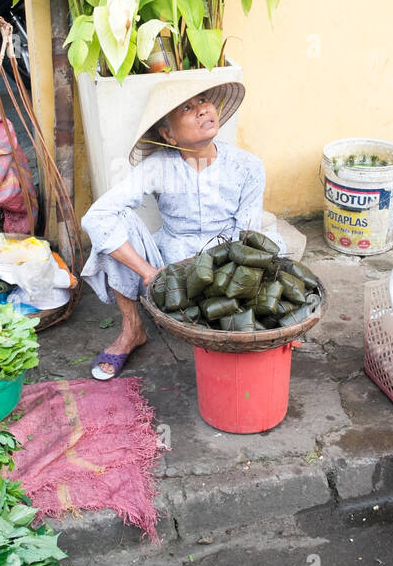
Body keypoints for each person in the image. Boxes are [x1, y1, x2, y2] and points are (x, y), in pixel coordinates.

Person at [80, 75, 283, 380]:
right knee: (111, 222)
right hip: (169, 267)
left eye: (203, 101)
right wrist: (149, 273)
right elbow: (95, 218)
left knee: (270, 246)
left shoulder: (248, 166)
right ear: (169, 135)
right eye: (187, 108)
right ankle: (132, 329)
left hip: (227, 266)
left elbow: (247, 235)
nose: (203, 110)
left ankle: (265, 324)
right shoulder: (159, 165)